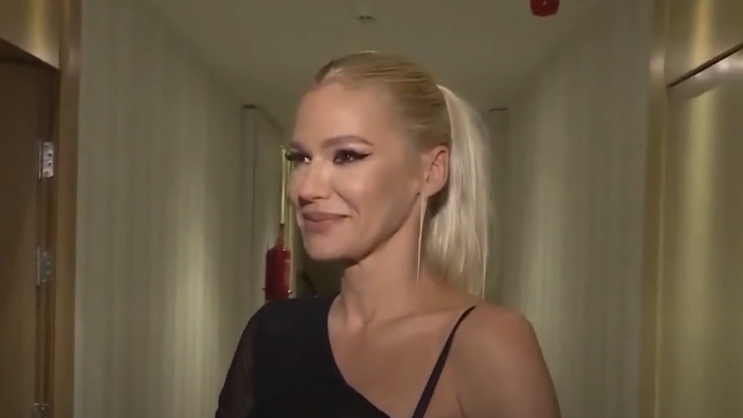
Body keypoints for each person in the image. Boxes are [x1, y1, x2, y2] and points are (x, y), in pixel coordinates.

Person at [216, 51, 560, 418]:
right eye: (300, 158)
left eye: (347, 156)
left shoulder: (490, 345)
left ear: (432, 171)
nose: (306, 188)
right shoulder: (270, 332)